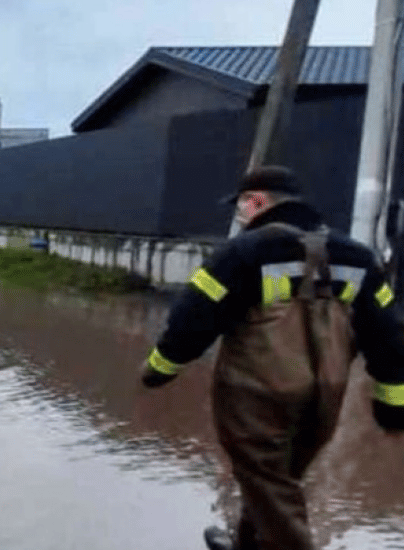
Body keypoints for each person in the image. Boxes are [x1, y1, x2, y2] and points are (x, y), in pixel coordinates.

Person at [139, 165, 404, 550]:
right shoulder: (359, 258)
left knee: (267, 482)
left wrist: (159, 370)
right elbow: (389, 336)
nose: (240, 215)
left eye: (242, 206)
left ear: (258, 201)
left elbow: (192, 319)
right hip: (326, 393)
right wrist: (393, 404)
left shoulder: (242, 252)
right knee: (276, 479)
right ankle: (249, 545)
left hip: (257, 392)